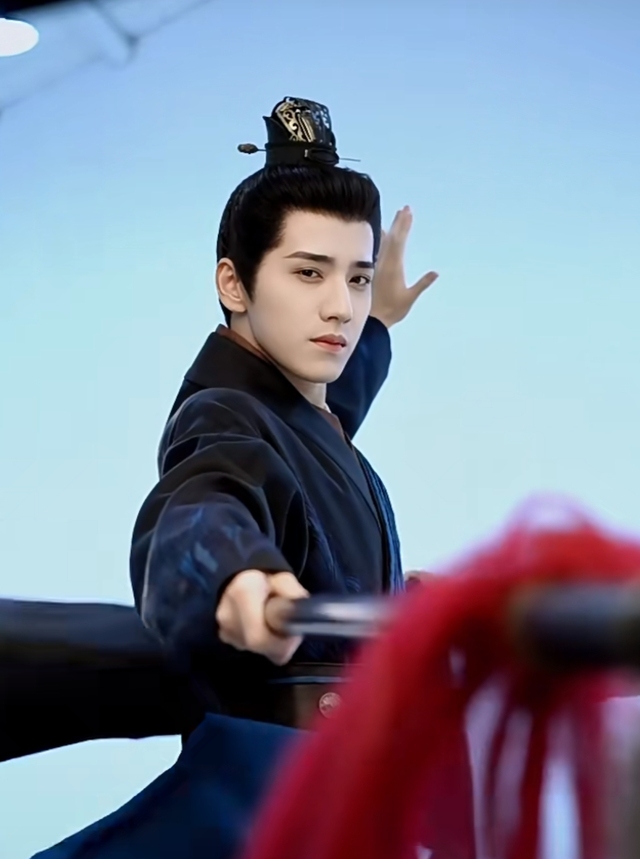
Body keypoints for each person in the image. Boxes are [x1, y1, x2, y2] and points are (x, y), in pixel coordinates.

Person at [31, 96, 450, 859]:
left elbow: (324, 418)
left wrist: (381, 323)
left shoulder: (296, 410)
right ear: (234, 282)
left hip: (347, 795)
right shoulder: (224, 414)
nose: (340, 306)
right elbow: (203, 499)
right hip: (266, 800)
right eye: (309, 272)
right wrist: (238, 573)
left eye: (356, 278)